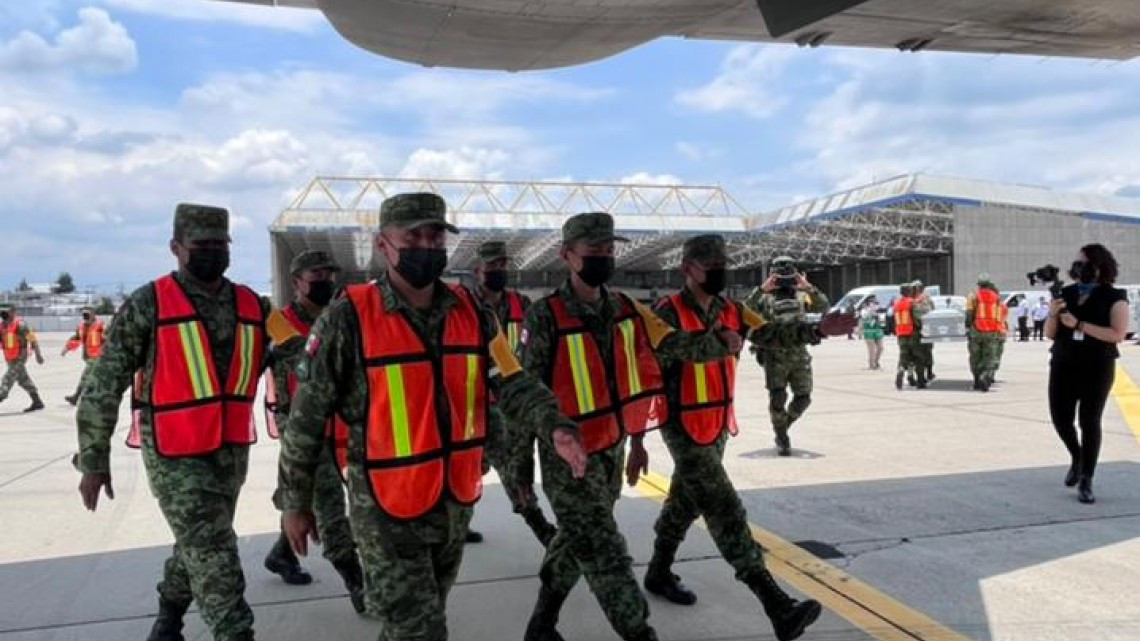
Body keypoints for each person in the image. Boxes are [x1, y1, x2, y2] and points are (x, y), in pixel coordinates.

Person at [277, 193, 588, 641]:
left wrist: (555, 424)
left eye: (435, 235)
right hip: (385, 510)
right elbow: (307, 419)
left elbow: (513, 380)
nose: (427, 245)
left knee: (417, 621)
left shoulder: (473, 312)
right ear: (383, 245)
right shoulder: (349, 316)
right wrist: (296, 501)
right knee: (421, 631)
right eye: (413, 236)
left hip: (452, 503)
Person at [517, 214, 743, 641]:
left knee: (574, 541)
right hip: (567, 460)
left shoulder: (626, 308)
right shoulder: (544, 316)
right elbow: (524, 394)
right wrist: (519, 469)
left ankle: (541, 626)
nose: (604, 257)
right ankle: (639, 632)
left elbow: (670, 342)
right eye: (593, 251)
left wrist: (719, 343)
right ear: (567, 256)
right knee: (606, 551)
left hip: (610, 450)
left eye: (608, 250)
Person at [76, 204, 270, 641]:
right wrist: (93, 458)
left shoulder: (252, 303)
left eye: (220, 244)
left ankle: (167, 621)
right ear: (176, 248)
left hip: (229, 449)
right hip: (174, 453)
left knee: (198, 544)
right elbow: (105, 382)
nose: (212, 252)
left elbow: (296, 346)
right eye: (201, 245)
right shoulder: (150, 302)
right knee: (216, 554)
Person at [644, 234, 842, 641]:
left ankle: (658, 571)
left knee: (686, 499)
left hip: (716, 424)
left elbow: (770, 334)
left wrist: (818, 328)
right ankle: (776, 604)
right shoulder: (667, 311)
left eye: (722, 264)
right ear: (688, 269)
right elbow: (662, 352)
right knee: (724, 509)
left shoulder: (733, 309)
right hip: (682, 426)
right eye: (709, 264)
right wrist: (712, 344)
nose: (718, 270)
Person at [261, 250, 366, 612]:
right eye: (315, 275)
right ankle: (359, 585)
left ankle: (282, 554)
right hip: (305, 434)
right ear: (296, 283)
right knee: (331, 512)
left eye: (328, 274)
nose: (324, 281)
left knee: (306, 504)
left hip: (344, 427)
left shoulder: (340, 318)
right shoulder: (278, 323)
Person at [472, 240, 558, 547]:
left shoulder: (523, 304)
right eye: (491, 266)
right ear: (476, 270)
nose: (497, 271)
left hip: (509, 404)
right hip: (471, 405)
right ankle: (458, 520)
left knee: (510, 469)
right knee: (470, 469)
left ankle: (541, 529)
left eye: (501, 265)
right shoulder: (465, 307)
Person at [1045, 244, 1129, 505]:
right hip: (1063, 363)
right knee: (1060, 418)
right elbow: (1050, 333)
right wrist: (1053, 314)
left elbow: (1117, 334)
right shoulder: (1066, 293)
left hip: (1097, 366)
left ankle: (1086, 479)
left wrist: (1080, 324)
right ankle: (1077, 456)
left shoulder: (1115, 296)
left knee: (1089, 422)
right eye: (1078, 263)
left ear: (1101, 267)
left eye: (1086, 263)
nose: (1080, 267)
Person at [743, 257, 830, 456]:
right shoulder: (765, 299)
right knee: (778, 398)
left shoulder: (802, 296)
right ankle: (782, 436)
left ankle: (783, 426)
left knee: (803, 398)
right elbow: (743, 311)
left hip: (799, 356)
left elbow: (824, 306)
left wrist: (808, 287)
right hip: (775, 357)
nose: (783, 280)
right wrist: (761, 290)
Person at [0, 303, 46, 412]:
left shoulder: (21, 325)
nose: (3, 313)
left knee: (7, 378)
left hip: (20, 357)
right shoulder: (3, 326)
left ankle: (1, 395)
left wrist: (38, 355)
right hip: (9, 357)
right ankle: (37, 401)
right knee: (23, 379)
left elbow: (32, 340)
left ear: (13, 312)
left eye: (6, 311)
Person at [965, 275, 1006, 392]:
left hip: (976, 331)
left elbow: (969, 314)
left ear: (978, 284)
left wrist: (968, 327)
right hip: (992, 332)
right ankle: (986, 375)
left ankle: (977, 380)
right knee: (990, 356)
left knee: (975, 356)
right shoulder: (996, 297)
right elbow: (999, 316)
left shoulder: (973, 296)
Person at [62, 307, 106, 406]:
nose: (85, 316)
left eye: (87, 314)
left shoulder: (100, 325)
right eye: (84, 315)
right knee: (95, 378)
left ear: (94, 314)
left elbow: (107, 339)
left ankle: (76, 397)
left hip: (97, 356)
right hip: (88, 356)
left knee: (85, 377)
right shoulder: (81, 326)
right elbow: (76, 338)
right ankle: (98, 398)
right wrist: (66, 348)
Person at [892, 284, 926, 390]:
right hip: (912, 333)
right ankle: (920, 381)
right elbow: (918, 318)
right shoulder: (912, 303)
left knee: (903, 357)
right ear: (910, 291)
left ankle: (901, 370)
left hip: (901, 334)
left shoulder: (897, 304)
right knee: (918, 357)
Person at [911, 281, 936, 382]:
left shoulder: (912, 300)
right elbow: (933, 311)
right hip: (927, 330)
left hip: (916, 330)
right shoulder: (928, 299)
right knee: (928, 351)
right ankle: (929, 372)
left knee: (918, 354)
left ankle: (920, 376)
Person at [860, 296, 884, 370]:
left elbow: (883, 323)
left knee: (880, 348)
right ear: (868, 304)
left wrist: (879, 317)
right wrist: (860, 330)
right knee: (872, 348)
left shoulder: (879, 311)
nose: (875, 304)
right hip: (868, 331)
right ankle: (871, 364)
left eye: (876, 303)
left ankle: (876, 362)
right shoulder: (864, 311)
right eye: (873, 303)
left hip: (878, 330)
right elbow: (863, 319)